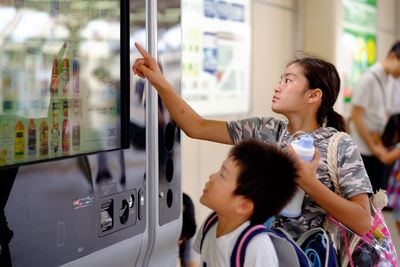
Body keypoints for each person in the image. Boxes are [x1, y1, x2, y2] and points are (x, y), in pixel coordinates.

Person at [132, 42, 373, 240]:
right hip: (258, 253)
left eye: (288, 81)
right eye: (280, 79)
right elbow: (196, 126)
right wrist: (159, 82)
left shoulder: (339, 145)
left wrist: (309, 183)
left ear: (313, 95)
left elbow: (363, 221)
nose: (278, 87)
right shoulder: (264, 130)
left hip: (310, 257)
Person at [194, 139, 299, 266]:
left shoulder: (256, 247)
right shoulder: (211, 223)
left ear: (243, 206)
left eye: (222, 175)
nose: (212, 177)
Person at [350, 41, 400, 192]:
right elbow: (355, 115)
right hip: (364, 150)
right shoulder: (369, 78)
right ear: (392, 57)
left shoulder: (387, 78)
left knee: (377, 197)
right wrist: (374, 147)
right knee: (367, 197)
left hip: (375, 147)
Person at [178, 193, 198, 267]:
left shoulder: (189, 230)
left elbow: (191, 263)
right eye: (180, 238)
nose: (179, 242)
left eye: (182, 239)